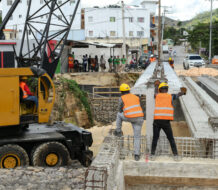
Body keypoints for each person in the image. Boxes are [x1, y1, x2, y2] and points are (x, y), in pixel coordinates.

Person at [150, 81, 187, 161]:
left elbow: (155, 92)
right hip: (166, 122)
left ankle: (152, 155)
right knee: (170, 138)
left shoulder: (157, 95)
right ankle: (176, 155)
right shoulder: (170, 96)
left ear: (160, 90)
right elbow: (178, 94)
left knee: (155, 138)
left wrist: (156, 85)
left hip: (157, 121)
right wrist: (183, 92)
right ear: (167, 89)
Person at [114, 84, 144, 161]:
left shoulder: (122, 98)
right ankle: (136, 155)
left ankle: (118, 130)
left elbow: (120, 109)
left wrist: (123, 110)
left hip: (129, 117)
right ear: (129, 90)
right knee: (137, 137)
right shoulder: (136, 97)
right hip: (139, 118)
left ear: (121, 92)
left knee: (118, 115)